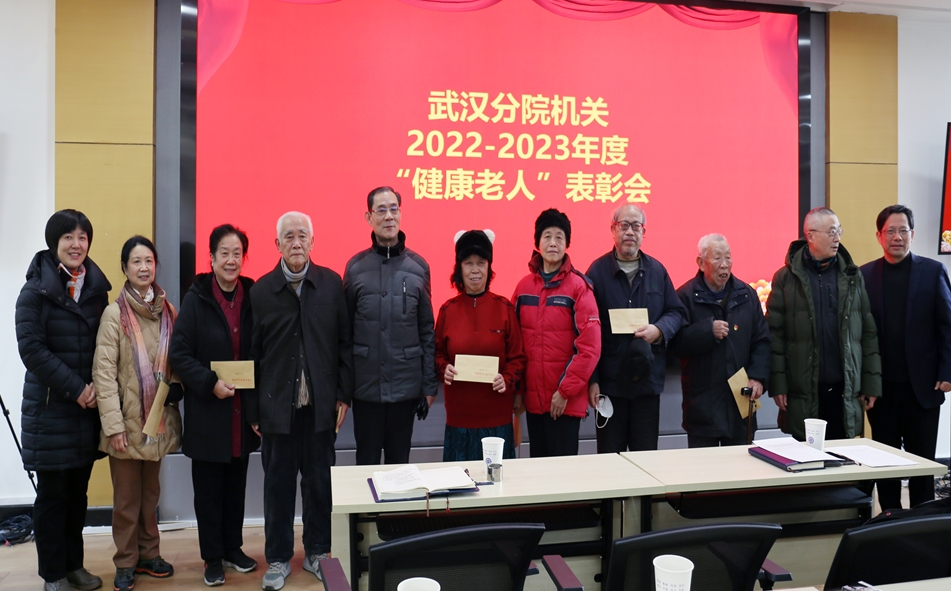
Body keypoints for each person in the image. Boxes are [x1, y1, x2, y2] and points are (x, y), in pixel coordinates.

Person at [248, 212, 352, 590]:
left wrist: (343, 395)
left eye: (302, 236)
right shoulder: (261, 292)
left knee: (319, 482)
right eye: (288, 237)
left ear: (312, 242)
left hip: (321, 407)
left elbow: (344, 344)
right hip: (277, 409)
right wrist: (253, 410)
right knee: (277, 486)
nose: (296, 242)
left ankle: (318, 552)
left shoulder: (331, 284)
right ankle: (277, 558)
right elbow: (252, 356)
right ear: (277, 244)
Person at [15, 210, 111, 591]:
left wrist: (99, 388)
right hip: (51, 411)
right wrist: (78, 388)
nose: (76, 244)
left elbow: (104, 347)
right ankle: (53, 574)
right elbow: (32, 351)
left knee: (77, 495)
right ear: (54, 242)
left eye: (82, 237)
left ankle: (75, 566)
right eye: (68, 237)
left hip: (86, 412)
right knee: (52, 497)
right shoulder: (35, 291)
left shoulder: (96, 290)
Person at [169, 225, 260, 585]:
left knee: (235, 488)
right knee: (208, 492)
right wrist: (209, 383)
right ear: (211, 258)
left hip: (241, 413)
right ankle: (212, 557)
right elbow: (179, 354)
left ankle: (233, 548)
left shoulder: (252, 296)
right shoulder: (197, 299)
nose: (231, 260)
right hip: (209, 412)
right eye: (224, 253)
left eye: (237, 253)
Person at [93, 236, 182, 591]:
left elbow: (176, 361)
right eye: (136, 262)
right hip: (126, 425)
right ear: (125, 268)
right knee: (127, 501)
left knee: (150, 496)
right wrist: (113, 426)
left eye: (149, 261)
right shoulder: (114, 315)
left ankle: (149, 554)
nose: (144, 268)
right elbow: (103, 374)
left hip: (156, 422)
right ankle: (126, 562)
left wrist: (179, 387)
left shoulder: (168, 311)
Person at [860, 205, 951, 508]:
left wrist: (947, 371)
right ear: (879, 236)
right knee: (884, 465)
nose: (897, 237)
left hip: (923, 389)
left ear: (913, 234)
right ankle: (888, 521)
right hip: (881, 390)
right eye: (890, 231)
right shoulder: (864, 275)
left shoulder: (933, 271)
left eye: (903, 231)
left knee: (922, 466)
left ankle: (922, 524)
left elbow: (947, 326)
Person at [766, 207, 881, 441]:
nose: (837, 238)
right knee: (807, 460)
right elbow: (775, 336)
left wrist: (871, 384)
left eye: (839, 231)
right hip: (803, 391)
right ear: (810, 235)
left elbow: (867, 333)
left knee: (842, 459)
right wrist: (778, 385)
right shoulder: (786, 278)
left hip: (844, 390)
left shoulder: (852, 276)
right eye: (831, 232)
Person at [344, 186, 436, 465]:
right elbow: (345, 332)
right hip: (366, 388)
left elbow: (426, 331)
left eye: (393, 209)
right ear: (368, 217)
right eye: (381, 210)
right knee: (366, 465)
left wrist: (429, 387)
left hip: (405, 388)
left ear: (400, 213)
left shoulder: (418, 267)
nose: (388, 216)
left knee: (400, 468)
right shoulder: (355, 267)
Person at [585, 205, 686, 452]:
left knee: (646, 457)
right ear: (613, 230)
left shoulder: (657, 271)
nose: (630, 232)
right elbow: (587, 330)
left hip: (646, 383)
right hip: (610, 384)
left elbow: (676, 312)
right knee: (610, 459)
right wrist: (593, 380)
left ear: (643, 232)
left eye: (636, 226)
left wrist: (659, 330)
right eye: (624, 225)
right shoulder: (597, 272)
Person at [512, 208, 600, 457]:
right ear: (537, 243)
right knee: (538, 471)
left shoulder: (579, 287)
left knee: (563, 474)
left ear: (567, 244)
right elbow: (514, 345)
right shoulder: (523, 287)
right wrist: (518, 392)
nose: (553, 243)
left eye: (559, 237)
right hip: (533, 402)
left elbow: (590, 348)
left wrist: (564, 392)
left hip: (565, 403)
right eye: (547, 236)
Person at [669, 234, 770, 447]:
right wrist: (707, 331)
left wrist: (758, 377)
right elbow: (674, 345)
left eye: (728, 257)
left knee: (740, 464)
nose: (724, 264)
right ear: (700, 263)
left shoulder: (747, 294)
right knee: (704, 466)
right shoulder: (684, 296)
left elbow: (762, 340)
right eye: (717, 258)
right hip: (702, 408)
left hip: (741, 403)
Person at [436, 230, 526, 461]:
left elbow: (517, 357)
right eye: (468, 263)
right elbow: (437, 354)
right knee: (459, 480)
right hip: (458, 421)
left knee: (496, 480)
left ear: (489, 267)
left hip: (497, 420)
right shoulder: (447, 310)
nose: (475, 270)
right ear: (459, 268)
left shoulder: (504, 308)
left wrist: (506, 379)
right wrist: (443, 368)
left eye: (481, 263)